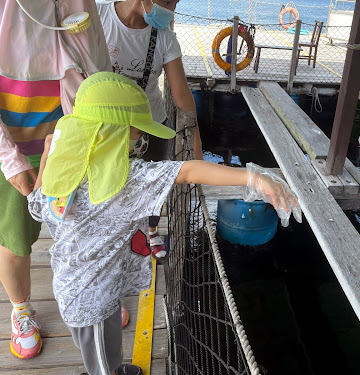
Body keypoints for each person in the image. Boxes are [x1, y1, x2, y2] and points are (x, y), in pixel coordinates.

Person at [27, 72, 301, 375]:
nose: (140, 142)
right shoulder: (129, 181)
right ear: (113, 136)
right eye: (134, 135)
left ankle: (113, 367)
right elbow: (187, 171)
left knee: (105, 349)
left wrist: (47, 158)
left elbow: (36, 206)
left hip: (77, 288)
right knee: (101, 362)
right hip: (90, 304)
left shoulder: (64, 175)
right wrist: (253, 178)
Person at [0, 0, 117, 359]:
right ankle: (21, 310)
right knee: (15, 239)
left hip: (75, 137)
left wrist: (109, 134)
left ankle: (95, 300)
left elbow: (97, 63)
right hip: (14, 143)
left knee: (88, 229)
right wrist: (10, 160)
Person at [97, 0, 204, 262]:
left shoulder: (165, 37)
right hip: (105, 128)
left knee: (153, 185)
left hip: (151, 125)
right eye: (167, 1)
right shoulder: (97, 15)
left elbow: (182, 96)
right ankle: (114, 239)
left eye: (175, 3)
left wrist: (196, 139)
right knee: (107, 188)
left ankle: (151, 229)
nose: (171, 9)